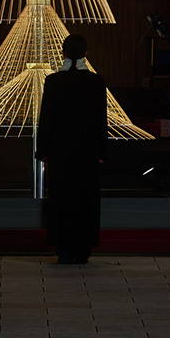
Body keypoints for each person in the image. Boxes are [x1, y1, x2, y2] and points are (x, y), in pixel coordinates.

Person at [35, 34, 108, 264]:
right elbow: (101, 121)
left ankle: (63, 249)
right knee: (85, 198)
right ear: (86, 54)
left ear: (63, 54)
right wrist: (102, 153)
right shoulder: (96, 82)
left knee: (62, 198)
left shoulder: (53, 82)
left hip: (60, 151)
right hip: (87, 151)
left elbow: (46, 118)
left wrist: (42, 150)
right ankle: (83, 249)